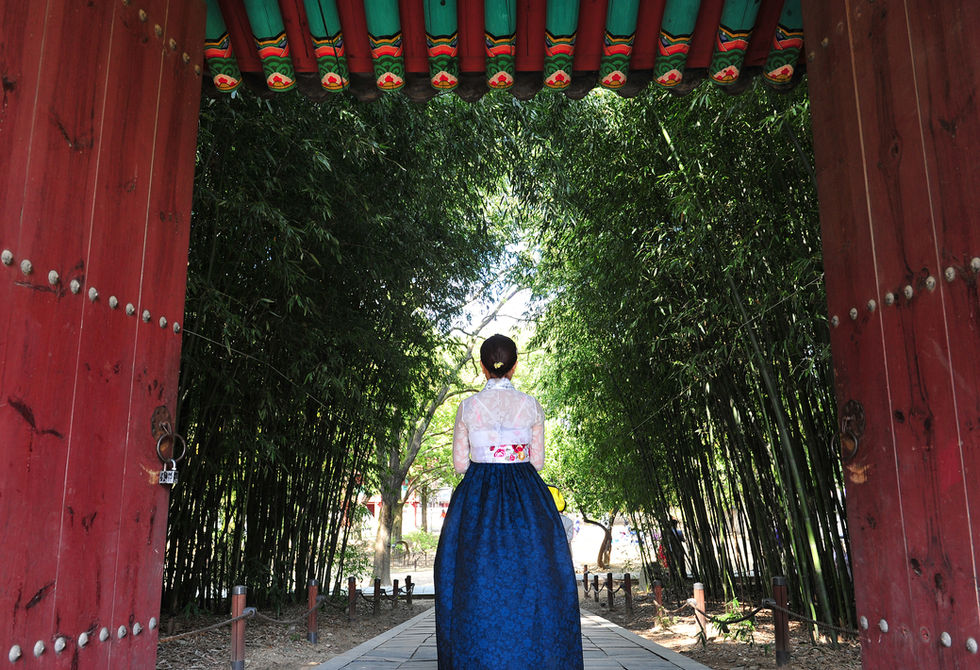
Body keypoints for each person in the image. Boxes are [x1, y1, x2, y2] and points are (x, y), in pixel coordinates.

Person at [434, 334, 584, 669]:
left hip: (477, 498)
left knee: (472, 583)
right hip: (526, 496)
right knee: (539, 579)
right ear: (514, 366)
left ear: (483, 368)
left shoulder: (467, 407)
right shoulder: (531, 405)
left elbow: (460, 464)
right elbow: (538, 461)